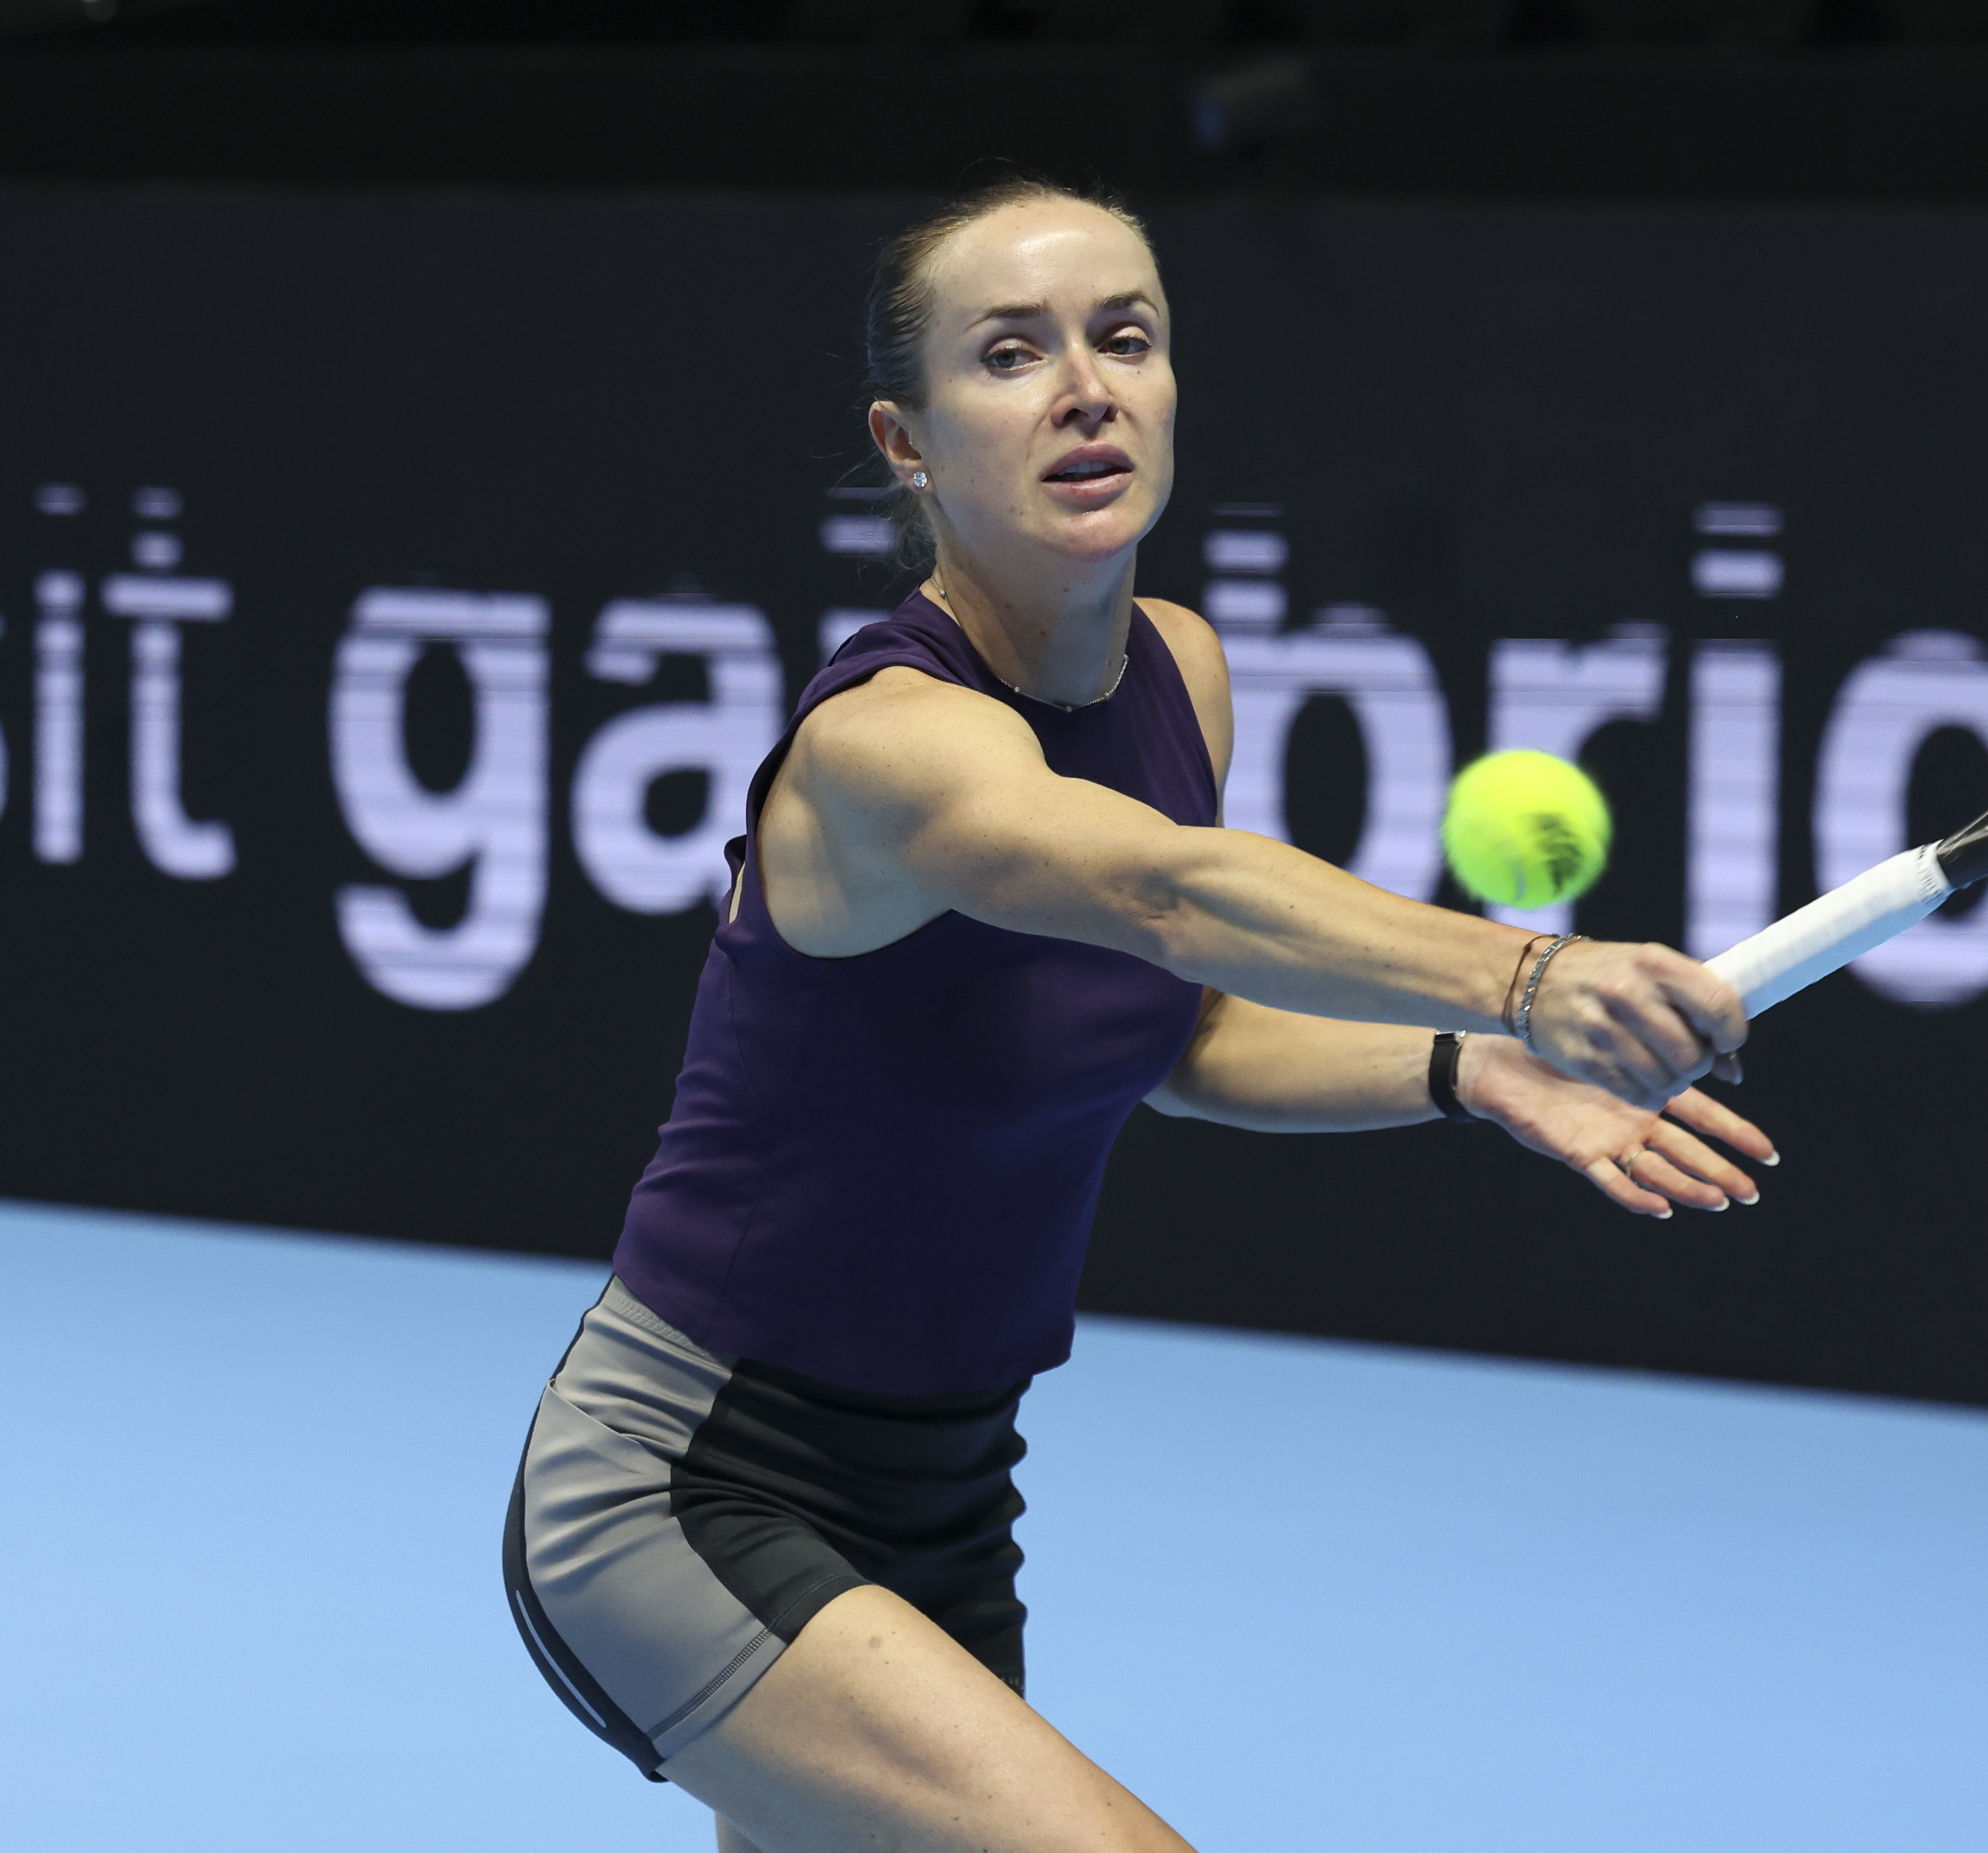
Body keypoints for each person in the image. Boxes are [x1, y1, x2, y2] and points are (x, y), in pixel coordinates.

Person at [505, 174, 1776, 1853]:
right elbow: (1167, 894)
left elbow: (1183, 1036)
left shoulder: (1177, 672)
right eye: (1010, 355)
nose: (1086, 386)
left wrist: (1482, 1072)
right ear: (908, 442)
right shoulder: (890, 741)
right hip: (695, 1482)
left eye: (1126, 337)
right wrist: (1530, 973)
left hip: (949, 1494)